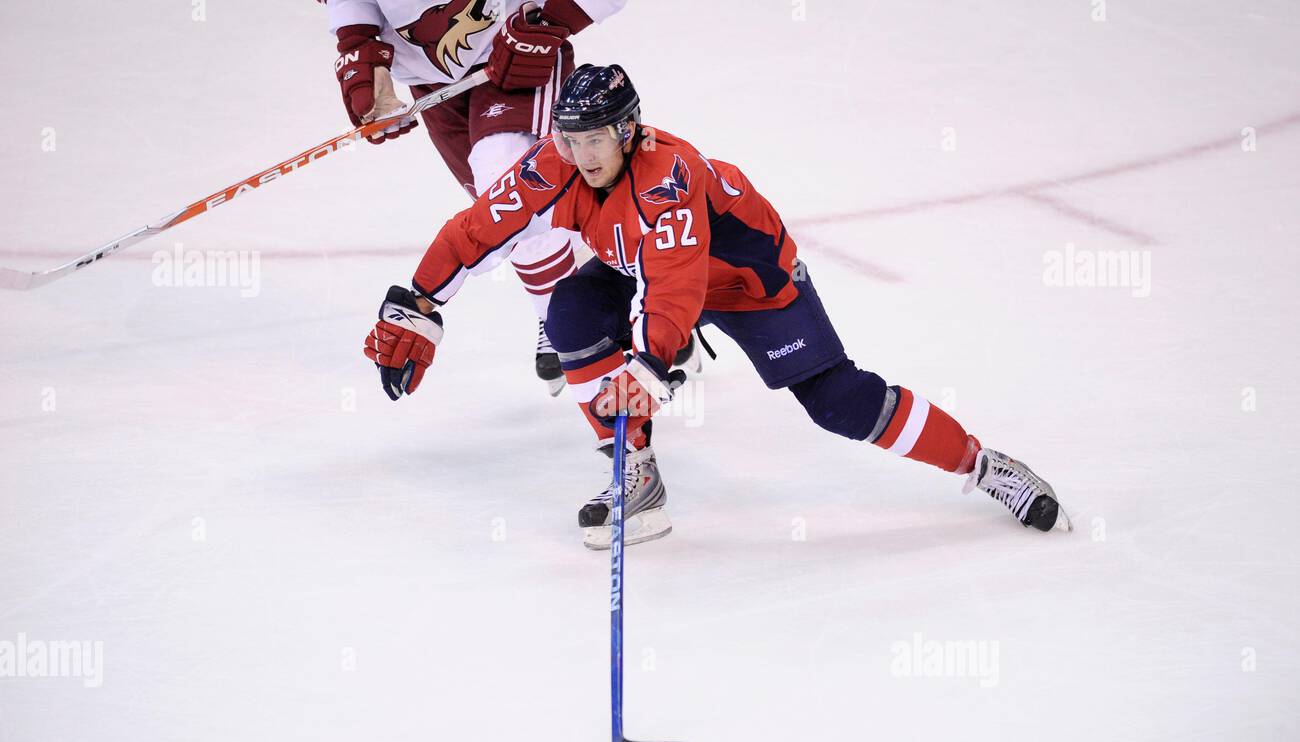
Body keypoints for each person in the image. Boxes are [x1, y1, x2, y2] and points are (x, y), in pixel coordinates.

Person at [363, 64, 1071, 548]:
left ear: (629, 129)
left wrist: (647, 362)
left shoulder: (669, 176)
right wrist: (420, 302)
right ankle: (634, 473)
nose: (582, 154)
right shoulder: (557, 162)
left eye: (596, 138)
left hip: (747, 281)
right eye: (571, 139)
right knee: (572, 314)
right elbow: (480, 228)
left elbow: (676, 285)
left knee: (837, 401)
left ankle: (985, 465)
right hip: (642, 271)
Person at [321, 0, 704, 396]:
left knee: (510, 192)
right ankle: (615, 293)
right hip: (431, 80)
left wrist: (550, 19)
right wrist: (364, 59)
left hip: (520, 49)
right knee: (512, 212)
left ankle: (573, 319)